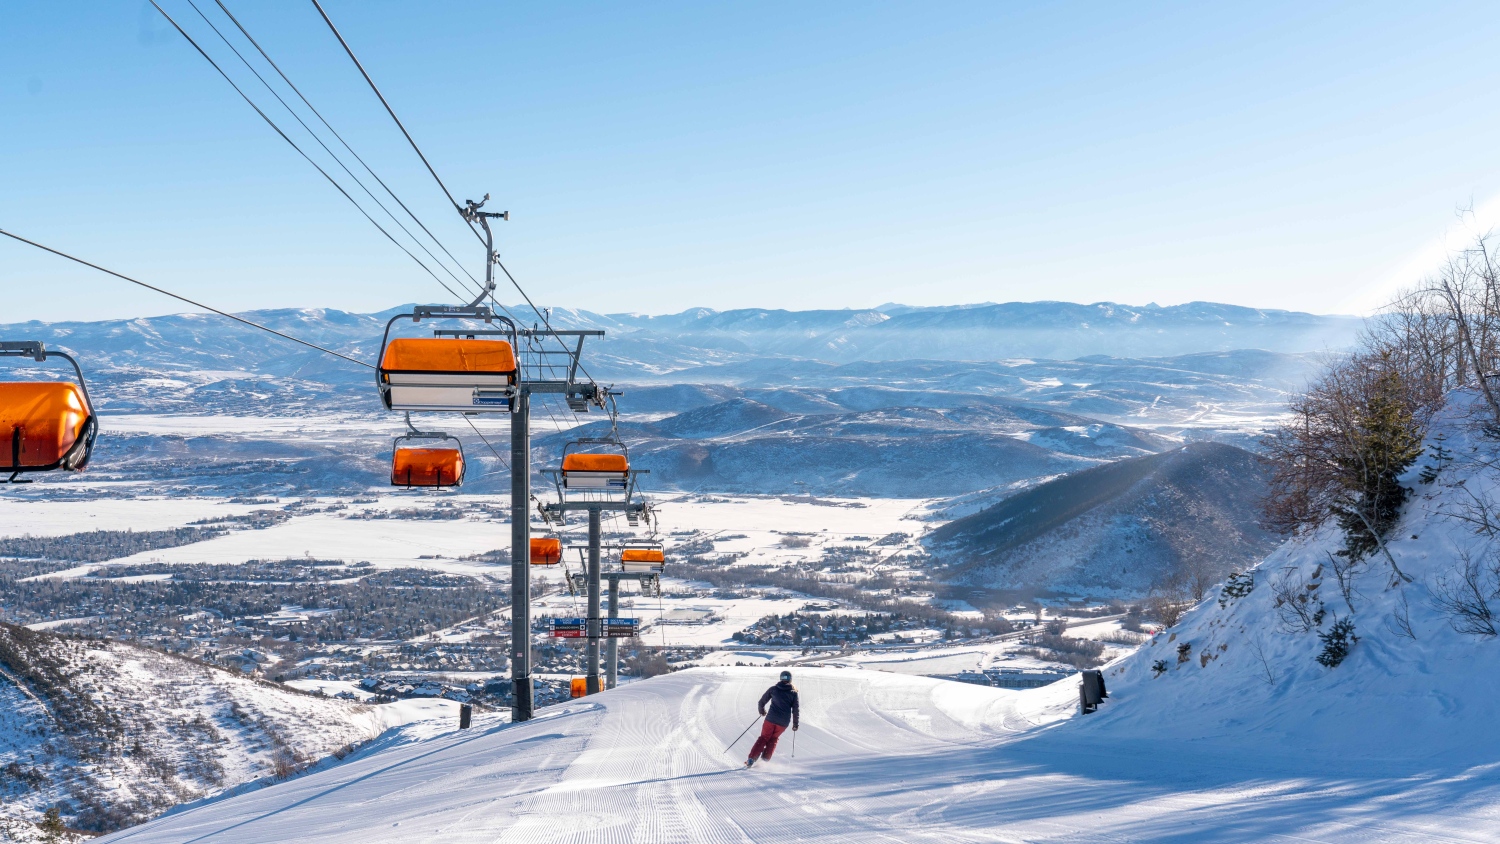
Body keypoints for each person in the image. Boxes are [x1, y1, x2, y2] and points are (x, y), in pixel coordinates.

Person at [746, 670, 799, 767]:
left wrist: (762, 711)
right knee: (773, 739)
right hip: (783, 723)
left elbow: (761, 702)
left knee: (764, 738)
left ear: (781, 678)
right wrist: (795, 724)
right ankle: (764, 760)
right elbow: (796, 710)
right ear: (790, 679)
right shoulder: (794, 693)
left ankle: (751, 759)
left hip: (770, 719)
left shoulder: (773, 689)